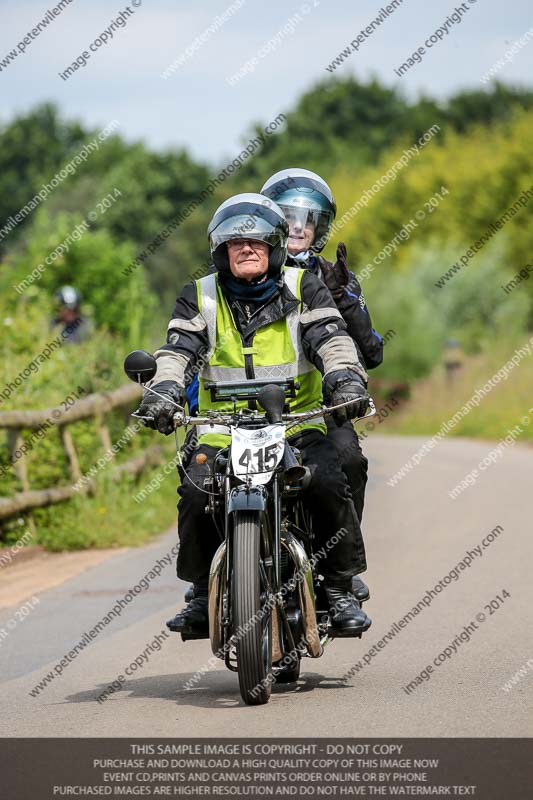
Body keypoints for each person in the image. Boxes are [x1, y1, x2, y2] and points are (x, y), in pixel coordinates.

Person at [137, 193, 372, 639]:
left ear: (276, 246)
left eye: (258, 242)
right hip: (223, 430)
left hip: (298, 422)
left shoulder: (305, 287)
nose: (246, 249)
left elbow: (332, 338)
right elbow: (177, 350)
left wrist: (345, 378)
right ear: (220, 251)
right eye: (234, 242)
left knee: (325, 479)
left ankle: (339, 588)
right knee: (195, 491)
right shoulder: (199, 296)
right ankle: (201, 595)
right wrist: (164, 389)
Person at [261, 168, 384, 601]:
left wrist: (347, 299)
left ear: (320, 227)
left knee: (349, 461)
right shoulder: (247, 273)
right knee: (207, 471)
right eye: (288, 217)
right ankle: (215, 579)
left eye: (307, 219)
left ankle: (341, 572)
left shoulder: (336, 277)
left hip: (323, 405)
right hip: (251, 406)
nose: (297, 227)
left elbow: (371, 352)